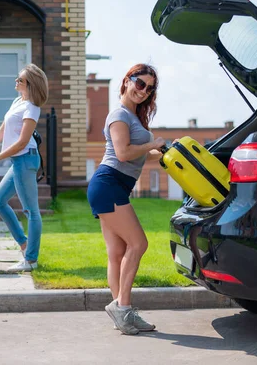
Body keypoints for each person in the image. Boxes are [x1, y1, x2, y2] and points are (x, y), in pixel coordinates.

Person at [87, 63, 165, 335]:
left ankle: (122, 313)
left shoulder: (134, 116)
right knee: (139, 243)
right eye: (140, 83)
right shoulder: (119, 115)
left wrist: (165, 153)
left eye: (150, 88)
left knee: (117, 253)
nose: (144, 91)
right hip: (110, 184)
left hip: (112, 185)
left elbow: (140, 153)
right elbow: (123, 153)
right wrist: (152, 144)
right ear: (127, 80)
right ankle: (124, 307)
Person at [0, 63, 48, 272]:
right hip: (18, 161)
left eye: (20, 80)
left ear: (30, 85)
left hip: (25, 159)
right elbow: (2, 131)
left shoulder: (32, 108)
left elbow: (22, 142)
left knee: (31, 211)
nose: (16, 82)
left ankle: (30, 260)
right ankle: (24, 244)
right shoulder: (17, 102)